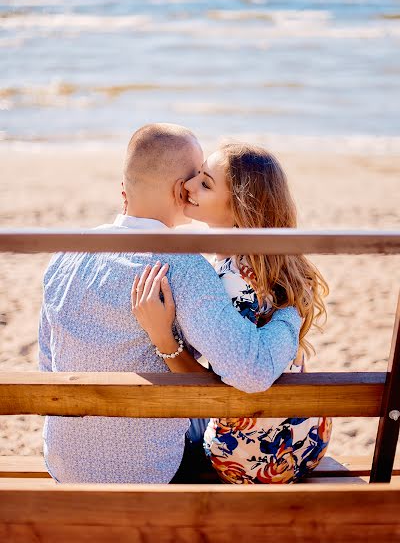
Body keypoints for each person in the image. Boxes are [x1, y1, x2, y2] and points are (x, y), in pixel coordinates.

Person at [38, 124, 301, 484]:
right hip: (150, 472)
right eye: (197, 178)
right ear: (182, 190)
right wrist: (291, 314)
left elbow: (48, 363)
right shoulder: (181, 267)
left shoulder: (67, 254)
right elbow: (252, 371)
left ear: (126, 188)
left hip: (65, 464)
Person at [131, 141, 332, 484]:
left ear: (240, 207)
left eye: (205, 183)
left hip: (244, 456)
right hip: (308, 442)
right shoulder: (277, 265)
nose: (188, 186)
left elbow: (216, 386)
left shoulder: (230, 279)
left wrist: (164, 340)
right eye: (195, 176)